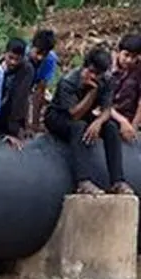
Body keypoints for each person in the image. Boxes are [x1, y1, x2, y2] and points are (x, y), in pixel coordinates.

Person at [45, 47, 132, 195]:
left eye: (98, 74)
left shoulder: (107, 80)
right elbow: (74, 115)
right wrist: (92, 92)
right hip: (59, 117)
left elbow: (107, 109)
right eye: (91, 72)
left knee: (111, 126)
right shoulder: (68, 82)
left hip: (85, 115)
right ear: (84, 67)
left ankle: (118, 181)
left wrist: (98, 123)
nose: (94, 76)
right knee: (79, 127)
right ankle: (83, 180)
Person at [0, 38, 35, 147]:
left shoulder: (26, 70)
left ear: (23, 58)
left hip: (11, 113)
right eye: (10, 58)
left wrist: (16, 129)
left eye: (17, 59)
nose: (13, 62)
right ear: (4, 53)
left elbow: (20, 99)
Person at [109, 34, 141, 142]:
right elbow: (101, 101)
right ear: (118, 52)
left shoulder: (138, 70)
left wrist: (133, 126)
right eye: (126, 55)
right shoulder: (106, 67)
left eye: (134, 57)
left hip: (128, 116)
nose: (129, 60)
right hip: (107, 113)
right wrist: (122, 121)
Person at [29, 29, 58, 132]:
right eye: (38, 52)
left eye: (44, 54)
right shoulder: (22, 54)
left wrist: (34, 123)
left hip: (33, 85)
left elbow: (40, 90)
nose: (40, 57)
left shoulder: (50, 60)